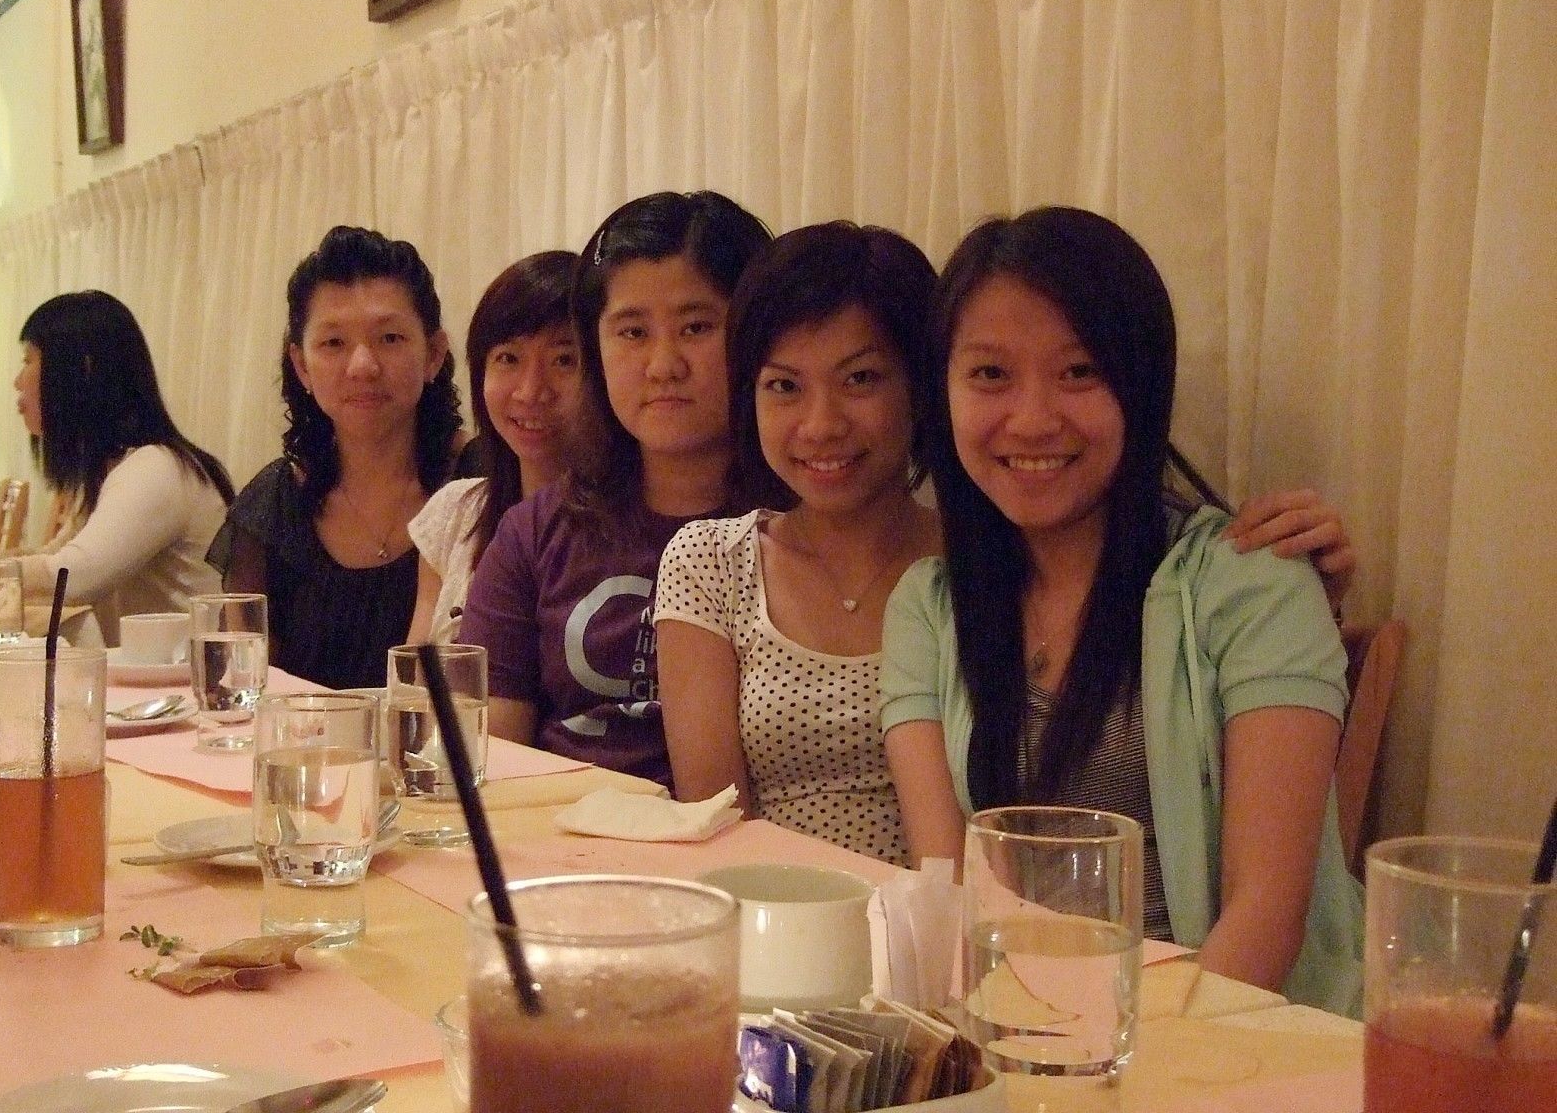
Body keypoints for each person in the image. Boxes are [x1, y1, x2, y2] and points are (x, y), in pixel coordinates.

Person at [880, 207, 1363, 1015]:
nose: (1033, 418)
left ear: (1142, 386)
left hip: (1232, 1036)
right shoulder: (928, 611)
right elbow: (951, 889)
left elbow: (1266, 920)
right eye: (991, 374)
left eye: (1079, 372)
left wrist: (1127, 1066)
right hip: (1021, 1028)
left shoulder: (1253, 584)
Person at [457, 191, 771, 788]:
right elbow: (492, 757)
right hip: (560, 832)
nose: (663, 364)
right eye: (632, 332)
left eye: (697, 327)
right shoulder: (536, 531)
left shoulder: (796, 524)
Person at [654, 224, 941, 864]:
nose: (821, 425)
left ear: (921, 387)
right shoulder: (710, 564)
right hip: (771, 909)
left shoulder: (975, 563)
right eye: (784, 386)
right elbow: (717, 821)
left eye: (860, 378)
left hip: (936, 914)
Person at [0, 292, 234, 639]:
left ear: (81, 370)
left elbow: (71, 575)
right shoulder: (114, 470)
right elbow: (46, 557)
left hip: (187, 685)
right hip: (141, 682)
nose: (17, 381)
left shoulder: (155, 468)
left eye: (29, 360)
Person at [210, 226, 462, 689]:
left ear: (434, 354)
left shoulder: (480, 483)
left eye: (390, 338)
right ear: (301, 366)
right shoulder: (273, 507)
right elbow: (244, 684)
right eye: (333, 343)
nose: (362, 366)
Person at [405, 250, 582, 645]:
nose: (531, 391)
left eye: (564, 360)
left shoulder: (630, 528)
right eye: (508, 358)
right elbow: (416, 671)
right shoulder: (456, 514)